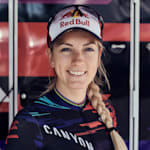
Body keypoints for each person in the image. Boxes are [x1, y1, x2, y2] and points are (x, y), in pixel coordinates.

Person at [5, 5, 128, 150]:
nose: (78, 60)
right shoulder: (29, 122)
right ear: (51, 57)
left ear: (99, 55)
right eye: (66, 49)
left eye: (88, 49)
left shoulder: (106, 111)